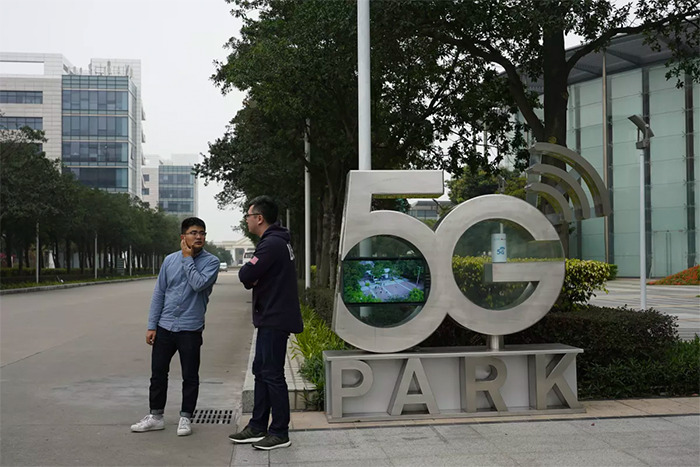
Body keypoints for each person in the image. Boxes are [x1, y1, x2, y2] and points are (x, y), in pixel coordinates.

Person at [130, 217, 220, 436]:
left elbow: (199, 284)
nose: (199, 237)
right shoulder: (169, 260)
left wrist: (188, 259)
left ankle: (186, 417)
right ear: (183, 237)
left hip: (190, 327)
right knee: (158, 373)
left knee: (190, 375)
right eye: (193, 233)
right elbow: (159, 293)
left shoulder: (212, 262)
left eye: (202, 233)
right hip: (165, 326)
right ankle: (156, 416)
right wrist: (152, 325)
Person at [228, 196, 303, 451]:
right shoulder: (275, 242)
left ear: (259, 218)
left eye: (248, 216)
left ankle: (280, 431)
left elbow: (246, 274)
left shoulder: (270, 244)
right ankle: (257, 425)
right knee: (261, 371)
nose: (246, 220)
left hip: (275, 317)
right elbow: (252, 278)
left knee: (271, 373)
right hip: (270, 316)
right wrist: (253, 278)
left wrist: (251, 277)